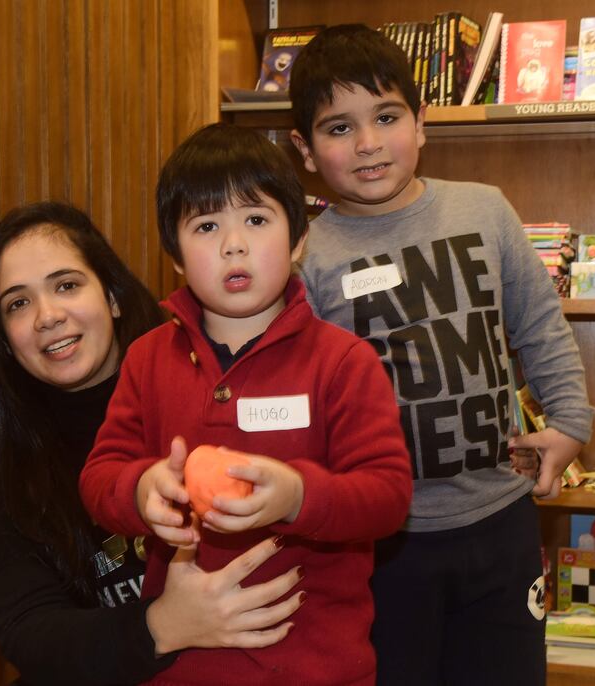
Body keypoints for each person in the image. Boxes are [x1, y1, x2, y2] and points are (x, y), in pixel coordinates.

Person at [288, 24, 594, 686]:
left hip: (501, 520)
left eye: (387, 117)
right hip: (379, 544)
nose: (368, 143)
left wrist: (570, 423)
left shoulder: (485, 211)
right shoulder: (306, 258)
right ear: (304, 150)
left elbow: (540, 324)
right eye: (339, 128)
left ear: (422, 122)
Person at [79, 123, 413, 686]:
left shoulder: (343, 362)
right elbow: (98, 478)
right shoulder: (146, 359)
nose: (233, 244)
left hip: (316, 670)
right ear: (176, 255)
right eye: (206, 226)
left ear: (298, 239)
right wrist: (142, 489)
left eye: (256, 220)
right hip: (183, 668)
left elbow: (387, 496)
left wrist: (297, 495)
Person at [0, 201, 305, 686]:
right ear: (5, 341)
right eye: (18, 304)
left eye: (66, 285)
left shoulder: (211, 389)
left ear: (113, 297)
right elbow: (31, 634)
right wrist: (163, 625)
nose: (47, 316)